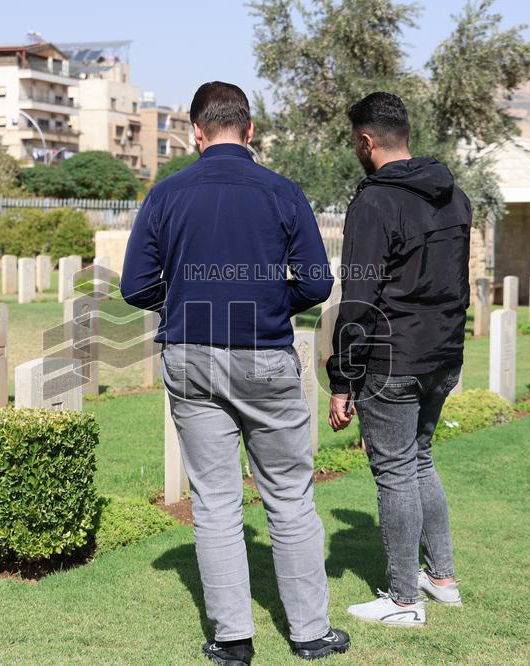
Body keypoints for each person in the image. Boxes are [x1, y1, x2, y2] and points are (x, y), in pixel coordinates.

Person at [120, 81, 350, 665]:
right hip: (265, 352)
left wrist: (184, 300)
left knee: (216, 501)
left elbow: (135, 286)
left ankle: (232, 640)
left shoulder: (166, 193)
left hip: (191, 355)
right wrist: (272, 301)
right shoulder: (281, 191)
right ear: (249, 131)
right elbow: (318, 283)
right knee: (290, 496)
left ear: (196, 132)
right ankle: (310, 634)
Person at [326, 91, 472, 627]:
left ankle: (403, 600)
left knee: (393, 473)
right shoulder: (454, 195)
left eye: (354, 143)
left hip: (395, 359)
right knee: (419, 460)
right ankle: (443, 580)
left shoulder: (374, 202)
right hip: (443, 355)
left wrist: (341, 378)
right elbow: (461, 284)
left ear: (367, 141)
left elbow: (358, 300)